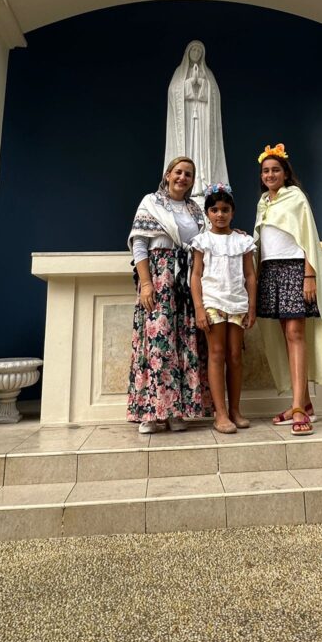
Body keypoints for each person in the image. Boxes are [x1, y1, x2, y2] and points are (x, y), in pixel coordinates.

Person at [254, 143, 322, 436]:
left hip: (295, 269)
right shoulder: (263, 203)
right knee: (286, 336)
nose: (270, 175)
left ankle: (298, 406)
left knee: (296, 334)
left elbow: (308, 235)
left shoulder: (295, 197)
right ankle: (304, 403)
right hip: (271, 271)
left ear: (285, 173)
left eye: (275, 170)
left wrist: (309, 274)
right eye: (265, 171)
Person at [126, 156, 213, 434]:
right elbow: (139, 244)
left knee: (184, 342)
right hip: (159, 277)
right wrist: (146, 283)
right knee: (158, 343)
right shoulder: (151, 202)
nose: (182, 178)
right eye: (178, 172)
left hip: (186, 281)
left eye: (188, 174)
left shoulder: (195, 209)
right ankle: (151, 414)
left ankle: (176, 411)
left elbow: (206, 241)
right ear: (167, 175)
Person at [190, 184, 257, 434]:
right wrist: (199, 308)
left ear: (233, 212)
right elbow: (196, 276)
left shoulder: (243, 241)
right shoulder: (202, 241)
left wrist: (252, 307)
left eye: (225, 210)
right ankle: (220, 413)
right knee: (216, 353)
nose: (220, 214)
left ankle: (235, 409)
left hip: (237, 303)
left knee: (235, 356)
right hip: (213, 302)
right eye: (215, 210)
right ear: (207, 213)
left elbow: (250, 275)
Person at [164, 40, 229, 198]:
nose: (196, 53)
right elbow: (173, 92)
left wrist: (201, 83)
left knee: (201, 150)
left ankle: (203, 182)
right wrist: (189, 83)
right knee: (188, 148)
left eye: (199, 51)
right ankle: (187, 185)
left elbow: (215, 96)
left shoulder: (208, 74)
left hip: (203, 118)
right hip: (186, 118)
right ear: (188, 52)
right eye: (193, 50)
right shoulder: (180, 73)